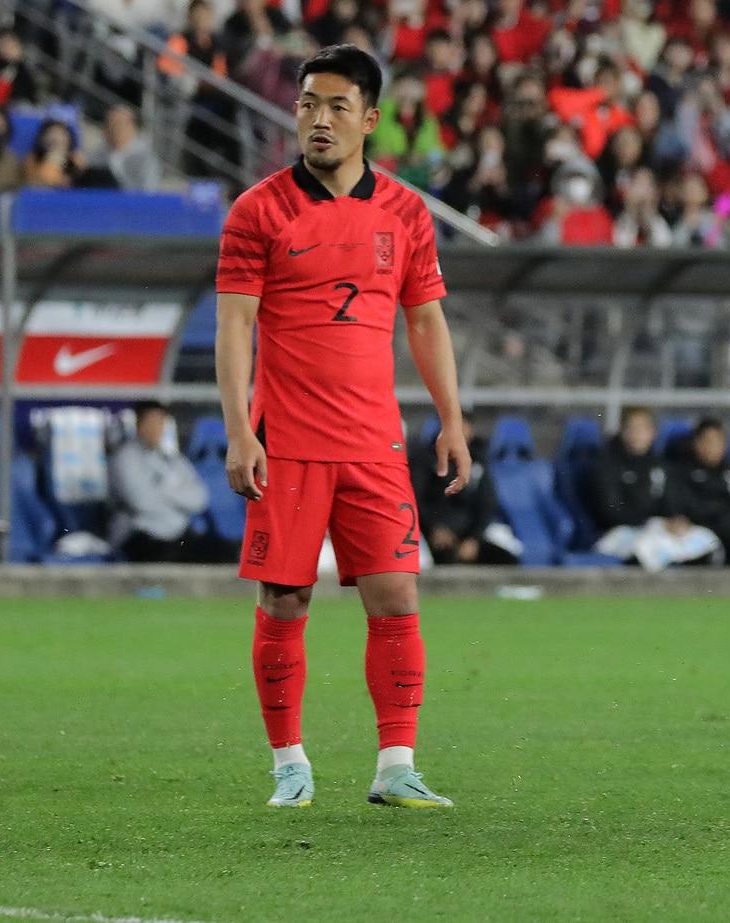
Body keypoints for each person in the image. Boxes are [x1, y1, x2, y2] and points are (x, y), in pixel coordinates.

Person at [215, 44, 469, 811]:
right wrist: (238, 429)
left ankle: (397, 764)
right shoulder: (258, 210)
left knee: (396, 596)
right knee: (285, 602)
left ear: (370, 119)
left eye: (335, 107)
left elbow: (426, 323)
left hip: (374, 442)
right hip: (286, 441)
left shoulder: (406, 212)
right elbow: (234, 327)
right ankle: (289, 762)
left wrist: (452, 420)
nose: (318, 120)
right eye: (306, 105)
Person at [589, 407, 720, 571]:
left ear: (653, 433)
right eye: (633, 428)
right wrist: (652, 521)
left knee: (707, 540)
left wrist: (676, 520)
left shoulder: (659, 466)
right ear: (622, 431)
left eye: (643, 428)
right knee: (646, 547)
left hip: (658, 528)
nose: (638, 434)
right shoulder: (607, 465)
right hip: (619, 532)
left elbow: (673, 502)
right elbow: (611, 511)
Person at [412, 411, 518, 565]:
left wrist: (474, 538)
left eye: (463, 427)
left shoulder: (478, 461)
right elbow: (416, 499)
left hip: (468, 536)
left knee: (507, 560)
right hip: (434, 535)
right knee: (446, 558)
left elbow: (487, 503)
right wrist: (433, 528)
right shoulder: (425, 460)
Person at [107, 402, 208, 562]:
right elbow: (140, 501)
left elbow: (199, 498)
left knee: (217, 551)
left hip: (177, 532)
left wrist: (163, 491)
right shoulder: (125, 458)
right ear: (139, 424)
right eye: (151, 422)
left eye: (160, 422)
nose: (155, 428)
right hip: (138, 533)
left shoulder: (172, 459)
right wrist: (177, 496)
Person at [666, 418, 730, 564]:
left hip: (728, 536)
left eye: (717, 441)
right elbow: (686, 507)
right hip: (696, 533)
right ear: (696, 443)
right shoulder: (682, 472)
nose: (712, 447)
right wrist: (719, 510)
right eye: (706, 441)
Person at [95, 105, 162, 190]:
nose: (113, 129)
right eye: (108, 124)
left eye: (118, 124)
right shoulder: (98, 155)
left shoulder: (145, 158)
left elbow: (148, 192)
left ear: (131, 126)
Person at [22, 119, 84, 188]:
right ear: (42, 139)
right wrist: (51, 163)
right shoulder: (32, 159)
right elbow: (36, 186)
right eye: (51, 133)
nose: (55, 138)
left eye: (60, 134)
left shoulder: (77, 160)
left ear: (69, 139)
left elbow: (81, 184)